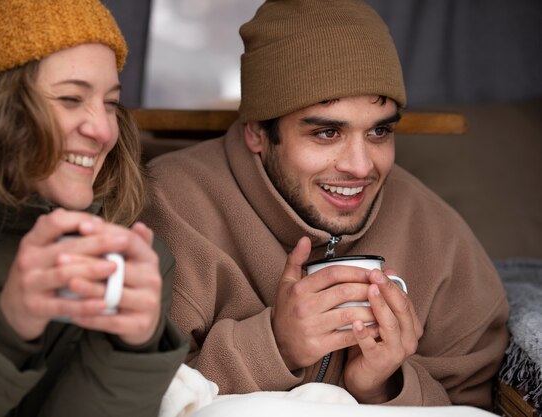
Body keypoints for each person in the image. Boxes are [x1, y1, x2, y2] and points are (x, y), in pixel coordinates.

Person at [139, 0, 509, 410]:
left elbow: (479, 404)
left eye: (379, 131)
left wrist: (383, 388)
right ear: (258, 133)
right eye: (327, 133)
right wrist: (275, 346)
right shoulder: (169, 208)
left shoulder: (439, 237)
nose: (360, 166)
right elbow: (125, 393)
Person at [0, 0, 187, 416]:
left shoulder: (128, 260)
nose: (102, 130)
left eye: (111, 103)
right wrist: (4, 329)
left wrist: (132, 349)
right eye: (70, 98)